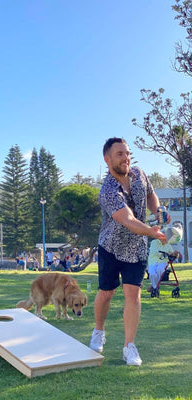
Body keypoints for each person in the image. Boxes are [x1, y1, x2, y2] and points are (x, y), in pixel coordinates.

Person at [89, 137, 169, 366]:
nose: (126, 158)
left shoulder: (139, 174)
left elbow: (151, 193)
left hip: (137, 249)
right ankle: (99, 331)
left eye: (127, 153)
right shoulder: (107, 191)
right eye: (119, 154)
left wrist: (158, 210)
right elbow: (129, 220)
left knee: (133, 295)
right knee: (106, 292)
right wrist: (153, 232)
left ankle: (129, 346)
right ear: (107, 159)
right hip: (111, 248)